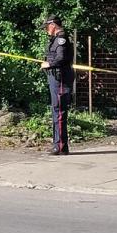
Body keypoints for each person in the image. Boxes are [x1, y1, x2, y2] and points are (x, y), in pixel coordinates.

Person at [40, 16, 74, 155]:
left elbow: (61, 58)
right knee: (56, 111)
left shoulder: (61, 39)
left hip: (61, 79)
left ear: (53, 25)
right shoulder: (55, 39)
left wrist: (49, 64)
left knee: (59, 112)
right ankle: (60, 144)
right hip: (55, 78)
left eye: (47, 27)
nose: (46, 30)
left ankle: (59, 146)